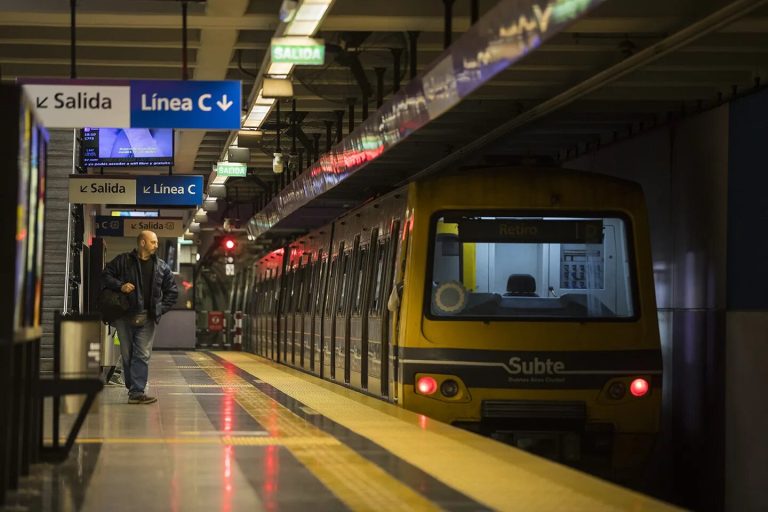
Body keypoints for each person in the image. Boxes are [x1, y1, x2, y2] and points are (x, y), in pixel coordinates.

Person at [101, 230, 177, 404]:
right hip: (123, 316)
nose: (156, 245)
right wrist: (120, 286)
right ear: (142, 243)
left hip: (148, 318)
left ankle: (137, 391)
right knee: (127, 355)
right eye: (153, 242)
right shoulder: (122, 261)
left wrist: (159, 309)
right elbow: (105, 276)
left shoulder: (162, 267)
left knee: (142, 354)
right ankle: (133, 387)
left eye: (157, 242)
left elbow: (172, 292)